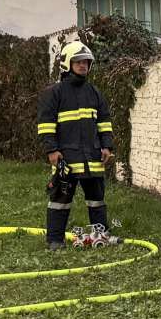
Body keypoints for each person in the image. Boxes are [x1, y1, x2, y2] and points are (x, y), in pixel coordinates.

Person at [37, 41, 116, 250]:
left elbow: (104, 122)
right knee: (60, 201)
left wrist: (107, 146)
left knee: (97, 201)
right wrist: (52, 150)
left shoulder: (94, 92)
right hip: (67, 159)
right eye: (78, 62)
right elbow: (46, 125)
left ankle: (101, 236)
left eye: (86, 62)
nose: (83, 66)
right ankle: (55, 240)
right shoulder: (54, 92)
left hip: (93, 157)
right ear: (67, 64)